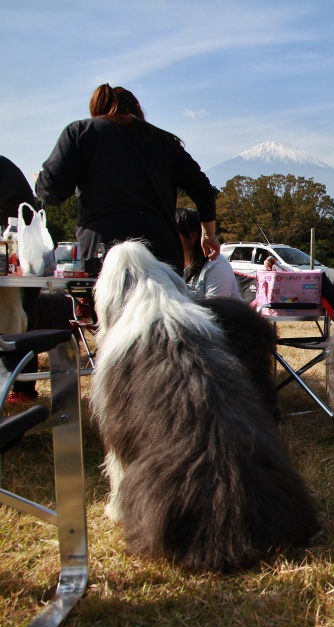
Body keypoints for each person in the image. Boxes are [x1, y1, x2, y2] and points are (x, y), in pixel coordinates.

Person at [34, 83, 220, 273]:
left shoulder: (81, 132)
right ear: (137, 109)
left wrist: (41, 180)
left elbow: (52, 192)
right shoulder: (165, 141)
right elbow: (203, 190)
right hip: (162, 254)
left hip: (105, 253)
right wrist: (209, 236)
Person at [0, 156, 41, 403]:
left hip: (18, 258)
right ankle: (22, 388)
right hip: (18, 257)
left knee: (20, 321)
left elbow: (16, 218)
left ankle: (23, 388)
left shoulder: (5, 172)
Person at [175, 207, 240, 300]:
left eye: (174, 233)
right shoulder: (173, 263)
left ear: (193, 235)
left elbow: (217, 307)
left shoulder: (216, 265)